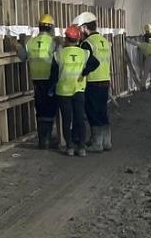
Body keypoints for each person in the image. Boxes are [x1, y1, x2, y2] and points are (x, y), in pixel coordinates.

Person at [49, 25, 96, 157]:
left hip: (63, 92)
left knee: (66, 119)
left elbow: (53, 75)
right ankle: (81, 147)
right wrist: (85, 72)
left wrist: (51, 88)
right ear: (78, 38)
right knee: (79, 118)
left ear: (66, 39)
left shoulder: (59, 54)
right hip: (79, 90)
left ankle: (69, 146)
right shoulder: (84, 53)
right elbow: (95, 63)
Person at [74, 12, 112, 152]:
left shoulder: (87, 43)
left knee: (92, 112)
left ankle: (97, 143)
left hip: (92, 82)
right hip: (105, 80)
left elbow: (84, 63)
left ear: (84, 28)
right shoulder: (104, 41)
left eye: (80, 29)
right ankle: (106, 142)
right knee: (103, 112)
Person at [23, 13, 58, 149]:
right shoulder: (53, 42)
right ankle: (48, 139)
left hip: (36, 81)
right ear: (51, 28)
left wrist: (17, 45)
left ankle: (42, 140)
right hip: (50, 80)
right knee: (50, 109)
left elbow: (22, 56)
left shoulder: (30, 42)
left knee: (40, 109)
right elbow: (60, 59)